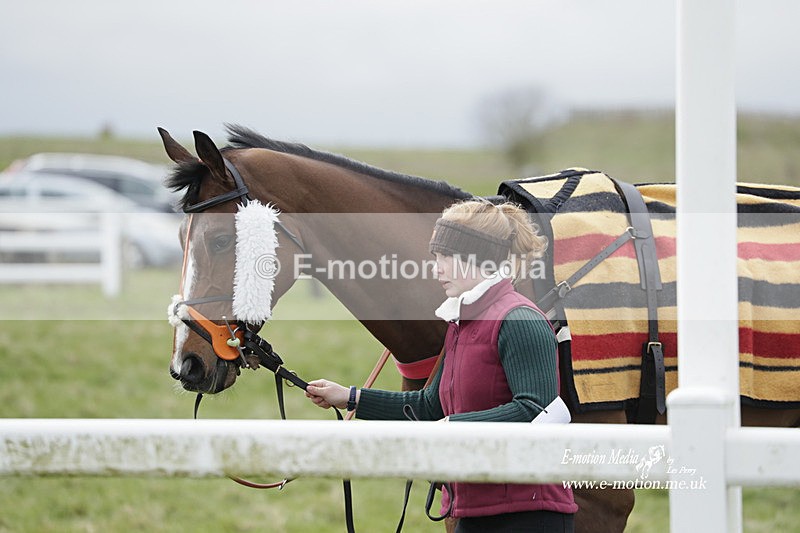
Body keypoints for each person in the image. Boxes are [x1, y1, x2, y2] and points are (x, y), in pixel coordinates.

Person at [306, 199, 578, 532]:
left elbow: (535, 409)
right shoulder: (460, 322)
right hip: (472, 511)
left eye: (445, 258)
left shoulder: (520, 319)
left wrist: (451, 427)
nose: (437, 269)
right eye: (436, 258)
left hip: (529, 515)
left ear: (475, 257)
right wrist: (350, 397)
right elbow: (429, 405)